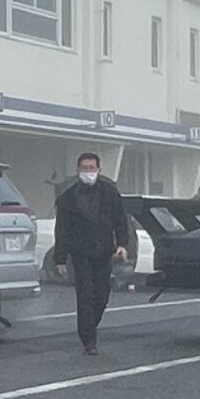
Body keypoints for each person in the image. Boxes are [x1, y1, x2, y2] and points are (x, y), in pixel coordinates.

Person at [51, 152, 132, 356]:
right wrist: (60, 259)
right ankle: (89, 340)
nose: (88, 171)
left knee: (102, 296)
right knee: (85, 295)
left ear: (98, 170)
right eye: (84, 168)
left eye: (91, 168)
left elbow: (121, 220)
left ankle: (90, 326)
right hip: (80, 253)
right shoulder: (68, 198)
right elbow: (61, 230)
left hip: (104, 251)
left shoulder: (110, 193)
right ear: (78, 170)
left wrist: (122, 244)